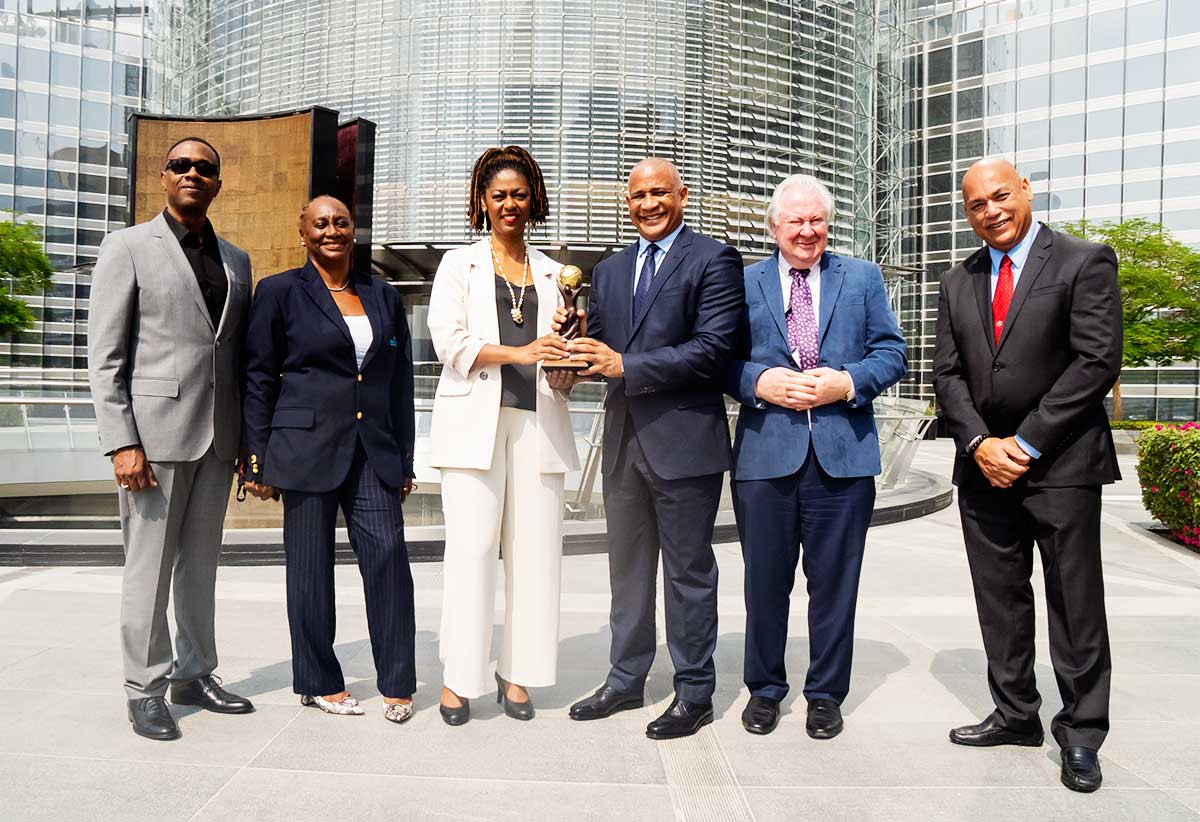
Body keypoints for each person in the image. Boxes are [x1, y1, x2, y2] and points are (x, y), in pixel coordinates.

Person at [933, 158, 1122, 793]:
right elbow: (948, 374)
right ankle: (1016, 713)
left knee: (1074, 601)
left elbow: (1097, 360)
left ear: (1027, 192)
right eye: (976, 203)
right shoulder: (957, 281)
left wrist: (1029, 441)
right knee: (1000, 597)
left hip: (1062, 461)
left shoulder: (1082, 260)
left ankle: (1082, 732)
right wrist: (981, 442)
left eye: (1001, 196)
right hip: (983, 467)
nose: (991, 210)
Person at [561, 158, 744, 740]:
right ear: (626, 200)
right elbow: (607, 351)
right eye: (637, 194)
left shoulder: (713, 259)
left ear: (682, 195)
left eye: (659, 193)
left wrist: (624, 364)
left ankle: (694, 691)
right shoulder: (610, 270)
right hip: (622, 442)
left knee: (688, 572)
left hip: (685, 442)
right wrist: (577, 342)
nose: (648, 204)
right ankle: (625, 678)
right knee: (627, 571)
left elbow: (714, 350)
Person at [725, 174, 907, 738]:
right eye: (795, 221)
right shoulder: (744, 281)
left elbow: (891, 352)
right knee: (765, 584)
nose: (807, 231)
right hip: (765, 457)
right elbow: (720, 358)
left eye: (816, 220)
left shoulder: (863, 278)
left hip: (842, 457)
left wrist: (847, 382)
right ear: (774, 226)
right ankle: (765, 689)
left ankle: (825, 694)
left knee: (835, 585)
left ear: (828, 224)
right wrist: (761, 382)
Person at [88, 136, 255, 740]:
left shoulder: (236, 260)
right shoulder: (127, 247)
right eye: (181, 165)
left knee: (200, 568)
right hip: (152, 440)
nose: (192, 173)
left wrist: (243, 442)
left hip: (217, 438)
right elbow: (105, 356)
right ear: (164, 177)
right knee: (148, 569)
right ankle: (144, 686)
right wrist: (121, 441)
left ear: (216, 183)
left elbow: (231, 355)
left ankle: (194, 673)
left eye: (205, 168)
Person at [241, 195, 418, 724]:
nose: (332, 230)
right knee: (310, 570)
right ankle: (318, 681)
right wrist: (257, 460)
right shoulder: (277, 293)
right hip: (303, 448)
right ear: (303, 233)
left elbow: (399, 381)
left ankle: (398, 680)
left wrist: (405, 458)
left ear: (354, 229)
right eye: (320, 223)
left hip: (373, 452)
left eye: (341, 222)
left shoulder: (382, 295)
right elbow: (256, 378)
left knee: (388, 561)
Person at [427, 146, 580, 726]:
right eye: (499, 196)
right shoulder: (457, 265)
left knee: (535, 557)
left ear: (533, 199)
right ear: (482, 202)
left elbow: (557, 364)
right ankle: (458, 680)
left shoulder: (552, 272)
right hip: (473, 427)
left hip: (539, 424)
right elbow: (450, 343)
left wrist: (568, 350)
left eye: (519, 194)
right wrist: (521, 351)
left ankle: (517, 675)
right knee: (470, 556)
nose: (509, 204)